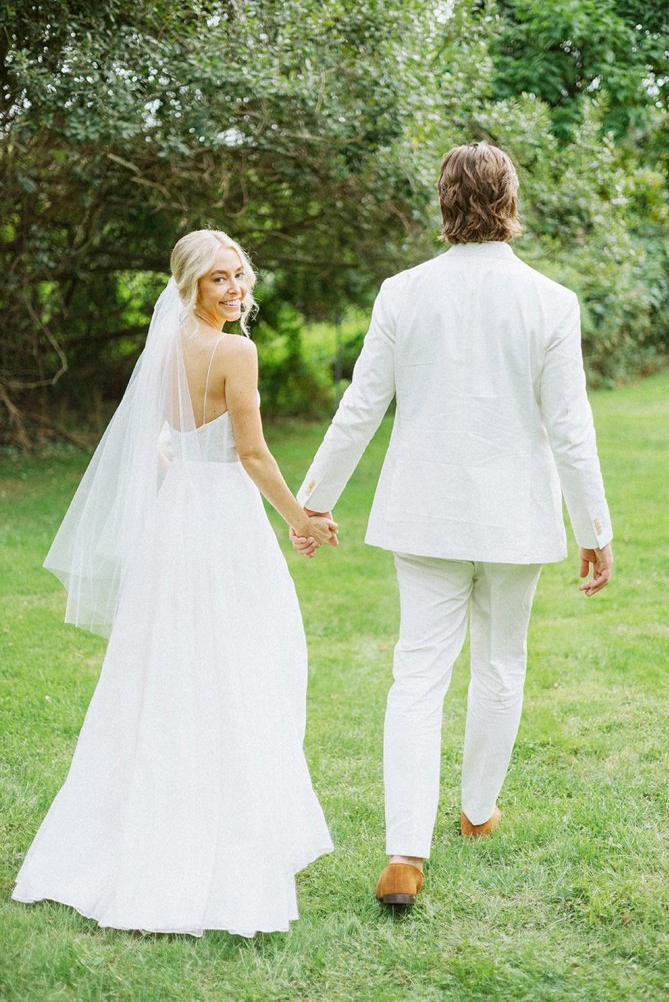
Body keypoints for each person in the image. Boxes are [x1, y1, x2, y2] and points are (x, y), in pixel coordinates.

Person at [291, 142, 614, 909]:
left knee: (417, 675)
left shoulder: (403, 293)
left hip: (425, 515)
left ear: (444, 202)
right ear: (511, 200)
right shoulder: (549, 301)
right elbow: (570, 428)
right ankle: (475, 813)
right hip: (515, 520)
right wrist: (594, 527)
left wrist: (316, 499)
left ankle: (406, 853)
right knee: (501, 665)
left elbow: (361, 405)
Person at [13, 230, 336, 937]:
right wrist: (300, 520)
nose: (235, 288)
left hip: (177, 517)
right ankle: (227, 832)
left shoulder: (164, 349)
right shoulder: (235, 351)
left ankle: (168, 817)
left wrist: (181, 472)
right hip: (221, 517)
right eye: (218, 279)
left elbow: (157, 440)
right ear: (189, 286)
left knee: (176, 665)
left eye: (239, 274)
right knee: (243, 659)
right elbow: (250, 451)